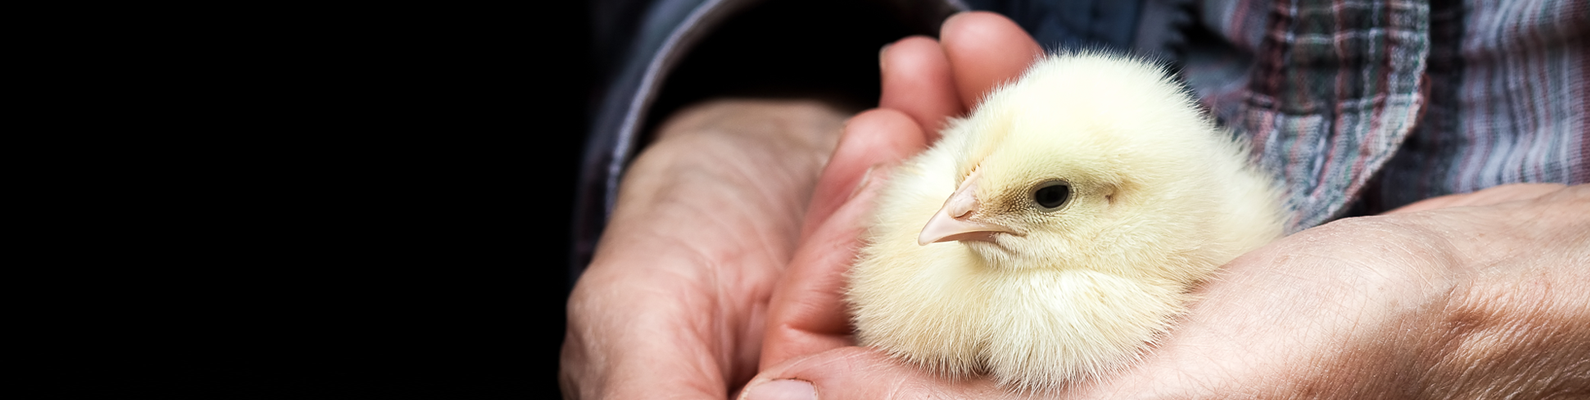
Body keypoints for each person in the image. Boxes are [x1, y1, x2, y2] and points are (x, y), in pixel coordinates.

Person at [563, 1, 1588, 398]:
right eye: (968, 174)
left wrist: (1528, 303)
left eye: (1041, 196)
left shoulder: (1186, 221)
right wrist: (760, 84)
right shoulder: (961, 213)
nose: (947, 217)